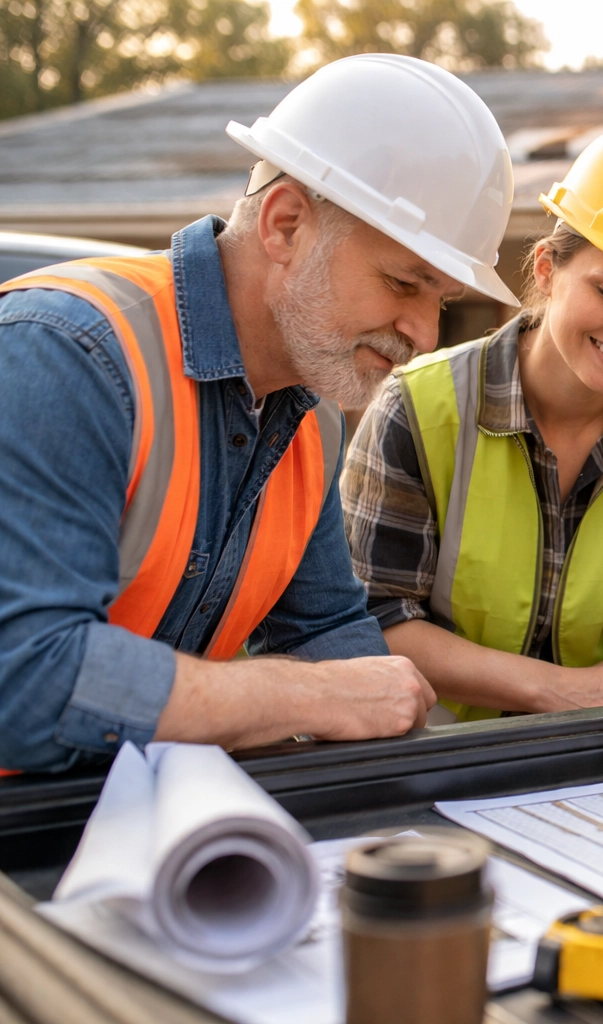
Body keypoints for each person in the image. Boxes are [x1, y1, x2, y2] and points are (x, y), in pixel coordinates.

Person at [0, 53, 524, 772]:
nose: (424, 336)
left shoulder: (312, 414)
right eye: (404, 282)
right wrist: (302, 697)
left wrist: (409, 785)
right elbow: (27, 682)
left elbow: (327, 627)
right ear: (284, 226)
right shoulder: (69, 355)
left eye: (439, 300)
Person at [342, 121, 603, 720]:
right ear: (548, 269)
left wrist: (587, 712)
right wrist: (552, 690)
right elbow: (371, 616)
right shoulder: (420, 409)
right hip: (431, 760)